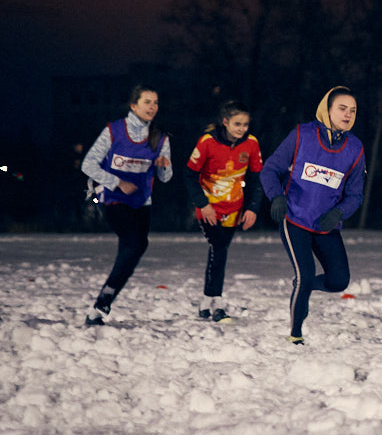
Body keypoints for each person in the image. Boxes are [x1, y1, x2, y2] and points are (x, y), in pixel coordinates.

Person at [261, 86, 365, 345]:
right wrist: (277, 196)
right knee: (306, 274)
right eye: (342, 108)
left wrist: (339, 213)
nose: (348, 114)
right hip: (295, 219)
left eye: (353, 110)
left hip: (325, 225)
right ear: (327, 110)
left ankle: (303, 283)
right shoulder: (302, 135)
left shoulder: (355, 148)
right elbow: (270, 170)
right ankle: (295, 334)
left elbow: (355, 195)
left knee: (339, 281)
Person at [80, 85, 173, 327]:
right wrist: (117, 182)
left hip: (142, 203)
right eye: (147, 102)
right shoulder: (114, 130)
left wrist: (164, 166)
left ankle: (100, 307)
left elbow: (165, 178)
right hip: (112, 198)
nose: (153, 106)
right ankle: (102, 303)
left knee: (132, 251)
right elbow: (88, 164)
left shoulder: (160, 137)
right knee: (136, 244)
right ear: (134, 106)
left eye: (155, 102)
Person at [184, 100, 264, 323]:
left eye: (245, 125)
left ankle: (205, 302)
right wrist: (203, 204)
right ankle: (217, 303)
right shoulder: (207, 142)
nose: (242, 129)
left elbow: (258, 179)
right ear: (225, 122)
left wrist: (253, 208)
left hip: (234, 208)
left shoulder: (251, 143)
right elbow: (189, 175)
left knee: (219, 251)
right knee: (218, 247)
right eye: (237, 124)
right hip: (209, 208)